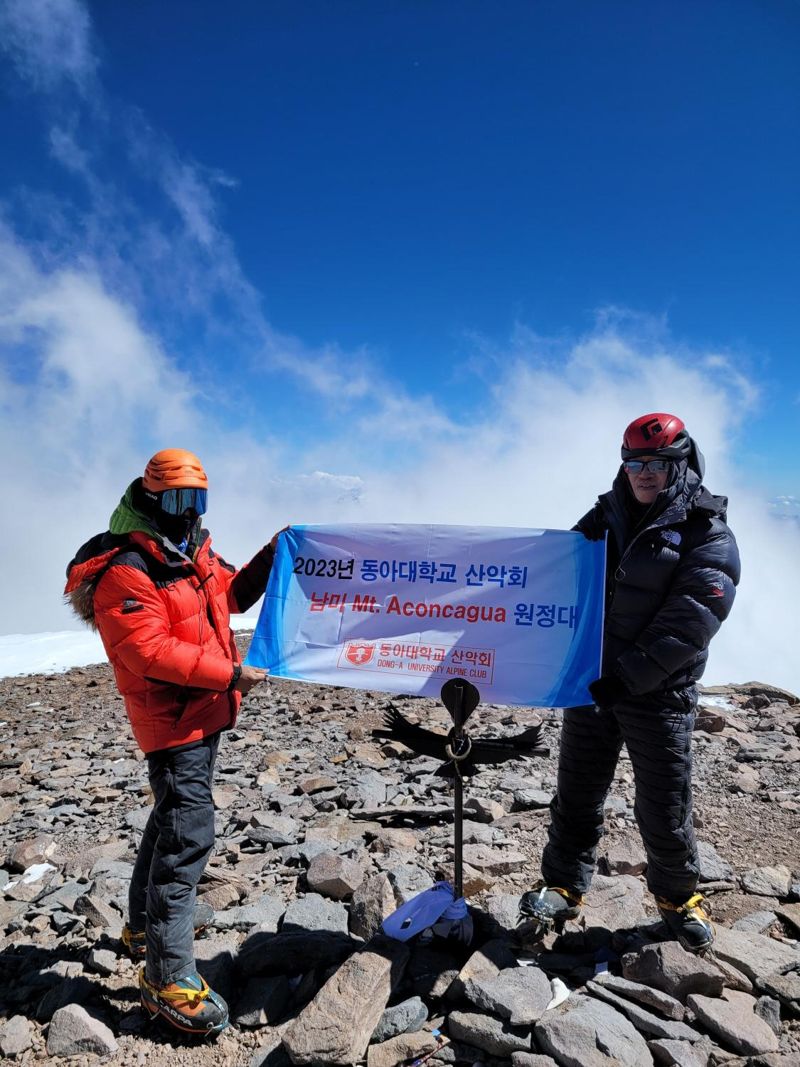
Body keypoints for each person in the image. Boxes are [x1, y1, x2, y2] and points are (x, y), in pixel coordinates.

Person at [65, 449, 280, 1035]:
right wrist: (231, 675)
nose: (190, 512)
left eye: (198, 500)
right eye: (179, 500)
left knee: (170, 819)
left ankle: (142, 928)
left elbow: (229, 595)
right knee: (189, 833)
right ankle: (167, 976)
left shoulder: (188, 553)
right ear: (152, 498)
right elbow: (146, 651)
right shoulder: (129, 567)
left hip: (201, 713)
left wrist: (273, 553)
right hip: (173, 718)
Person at [520, 413, 740, 952]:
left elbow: (692, 620)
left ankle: (677, 898)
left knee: (663, 804)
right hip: (595, 684)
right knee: (577, 792)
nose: (644, 474)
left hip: (658, 693)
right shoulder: (606, 513)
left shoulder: (706, 531)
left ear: (681, 465)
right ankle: (562, 885)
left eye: (658, 464)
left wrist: (626, 677)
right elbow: (558, 570)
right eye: (636, 463)